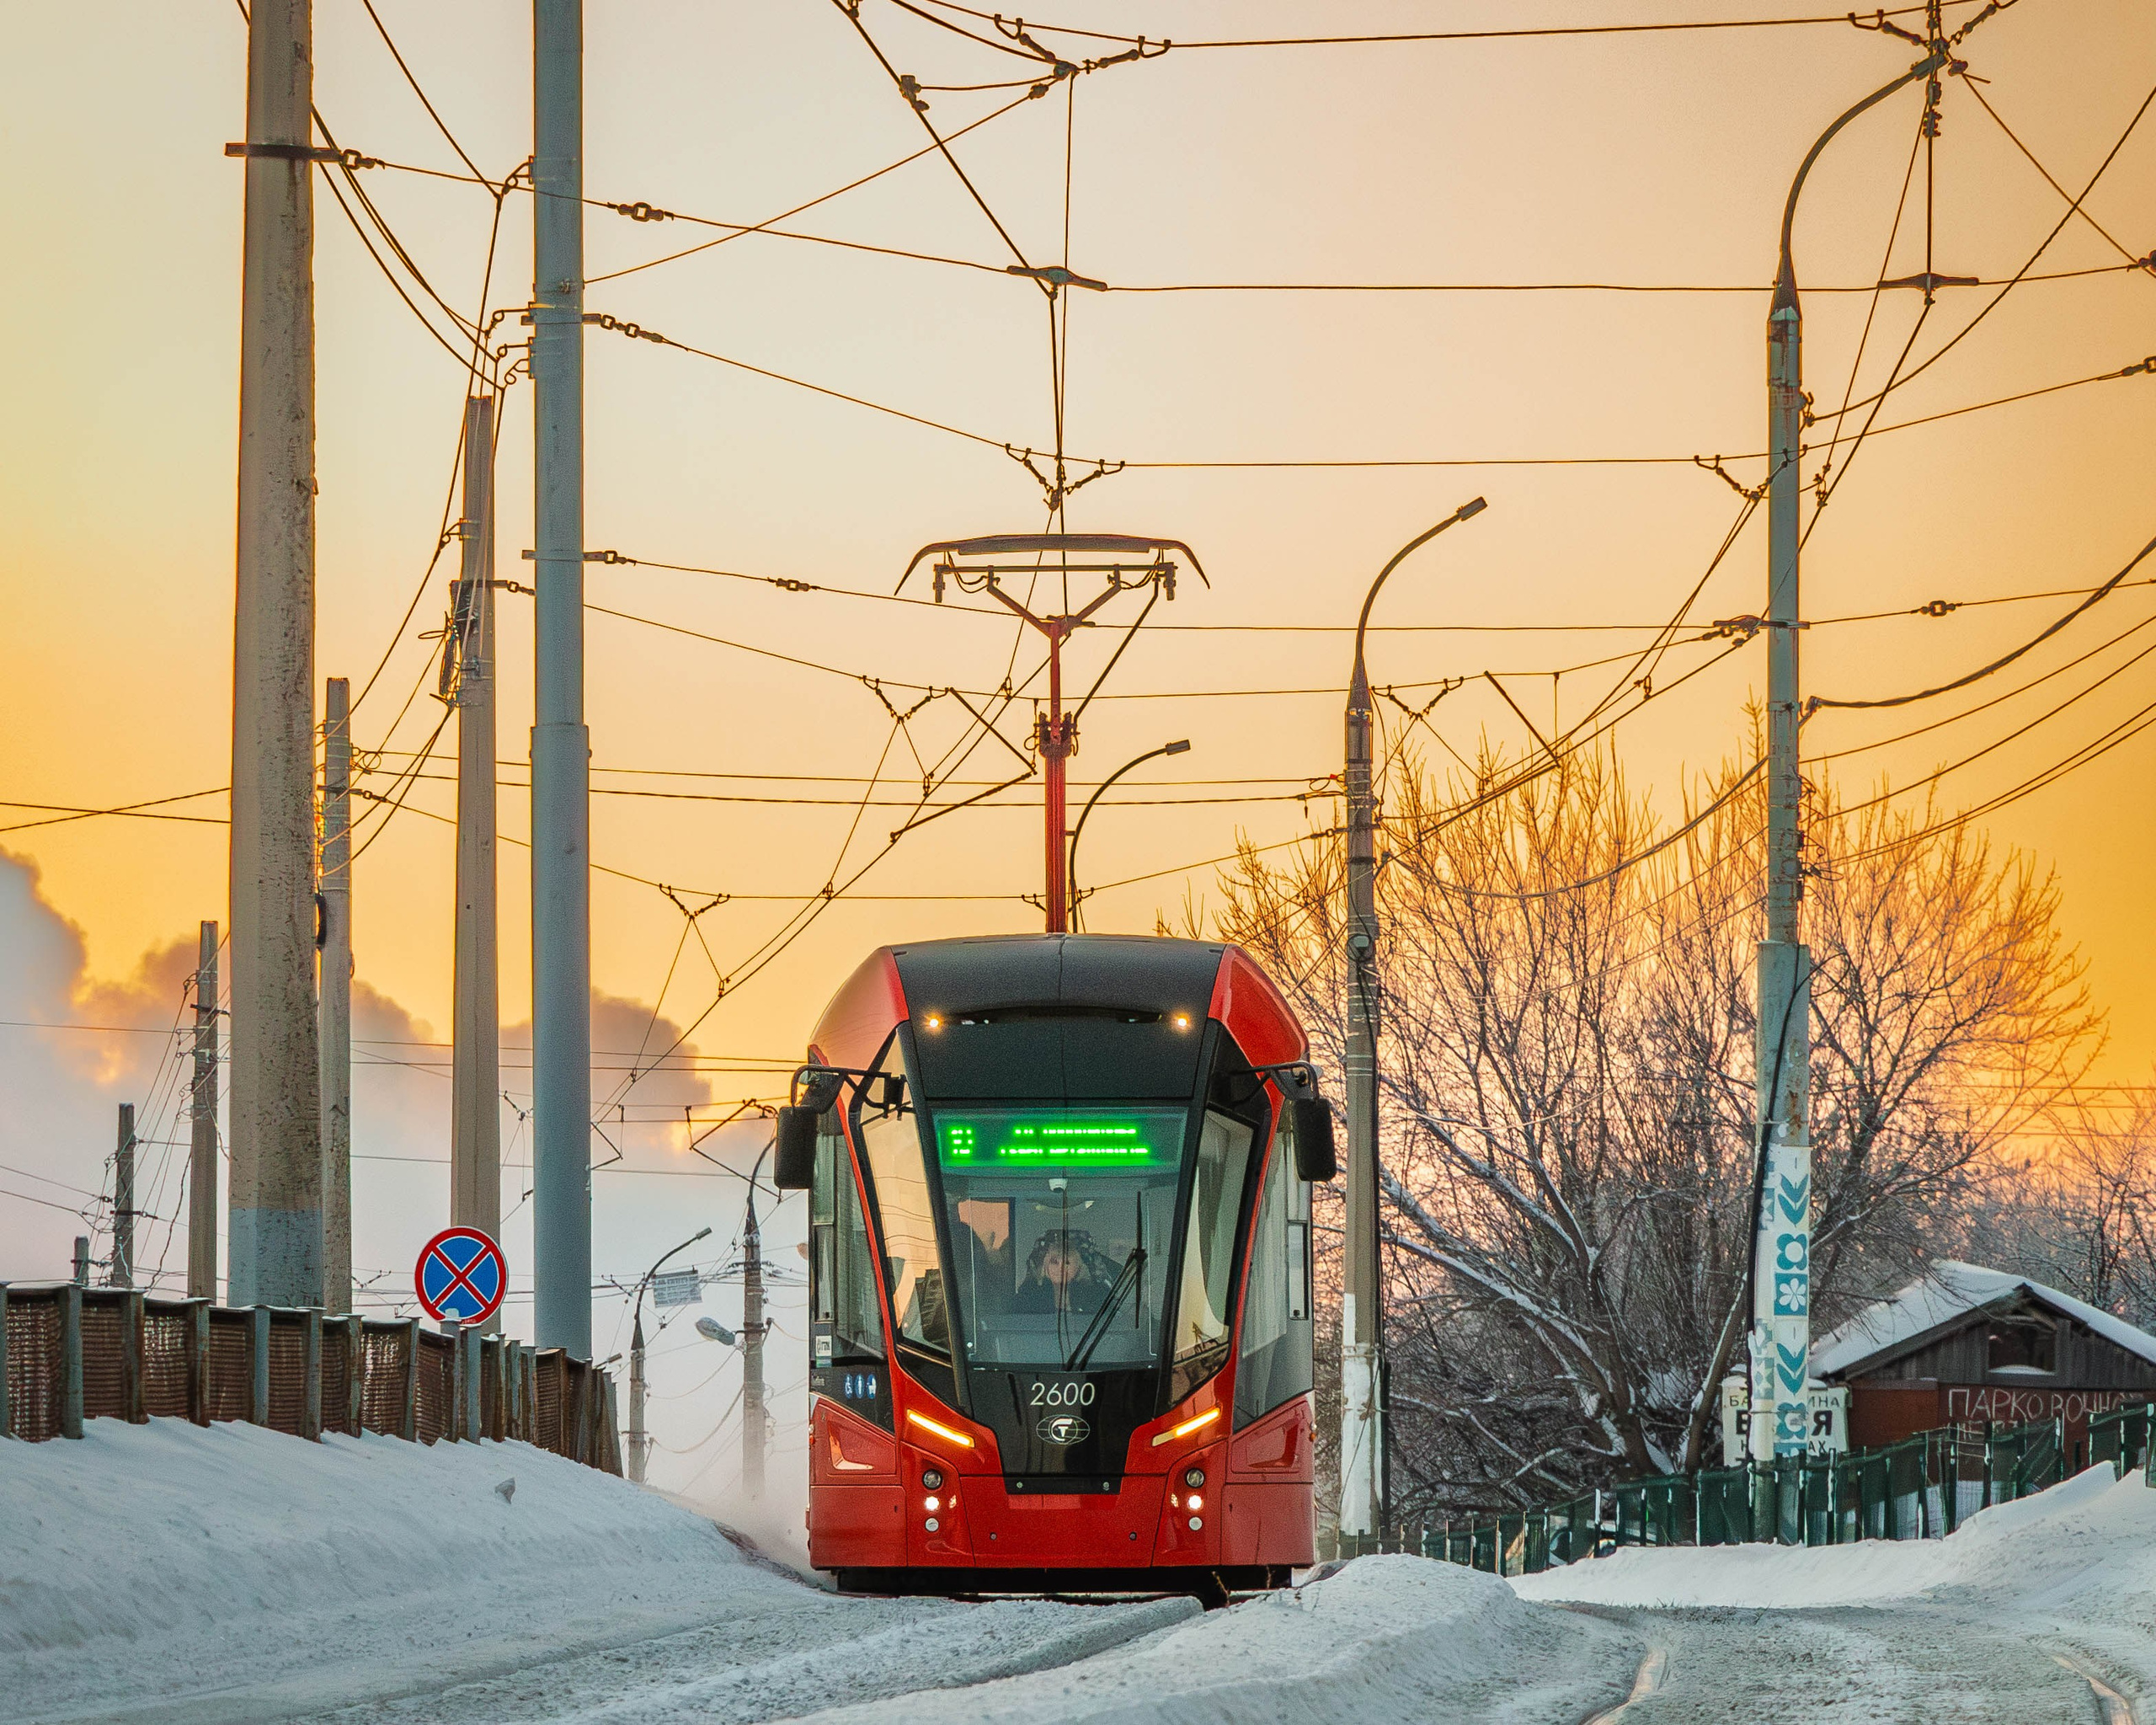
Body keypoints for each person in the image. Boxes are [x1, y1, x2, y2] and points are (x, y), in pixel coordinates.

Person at [1014, 1230, 1111, 1316]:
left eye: (1067, 1262)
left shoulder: (1100, 1299)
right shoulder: (1026, 1300)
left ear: (1081, 1265)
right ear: (1044, 1263)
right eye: (1054, 1262)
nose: (1061, 1268)